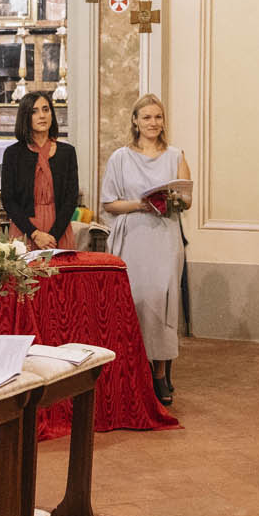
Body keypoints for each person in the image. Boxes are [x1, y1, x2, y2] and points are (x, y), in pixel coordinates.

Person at [103, 95, 190, 406]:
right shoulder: (120, 158)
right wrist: (141, 203)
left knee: (163, 302)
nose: (153, 123)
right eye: (147, 117)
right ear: (135, 121)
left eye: (158, 117)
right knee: (137, 303)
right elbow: (109, 203)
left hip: (165, 236)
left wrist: (172, 199)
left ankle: (161, 373)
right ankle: (136, 372)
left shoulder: (176, 155)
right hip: (133, 236)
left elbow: (186, 198)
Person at [1, 91, 79, 251]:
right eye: (34, 111)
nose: (42, 116)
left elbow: (71, 198)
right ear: (25, 116)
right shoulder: (13, 154)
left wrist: (53, 236)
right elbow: (8, 200)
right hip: (25, 230)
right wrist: (35, 234)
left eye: (46, 109)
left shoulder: (67, 152)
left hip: (59, 228)